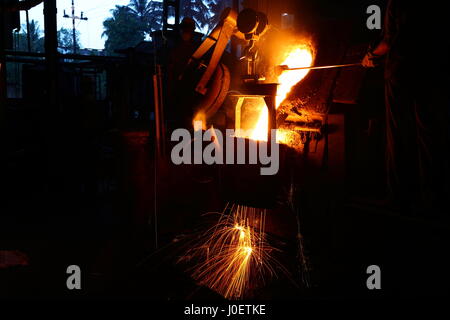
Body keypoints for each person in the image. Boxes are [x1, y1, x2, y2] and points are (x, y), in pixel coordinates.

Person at [362, 0, 450, 213]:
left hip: (401, 73)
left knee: (398, 134)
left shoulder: (398, 1)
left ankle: (399, 197)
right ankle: (432, 198)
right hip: (430, 71)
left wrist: (372, 55)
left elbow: (391, 40)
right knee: (427, 133)